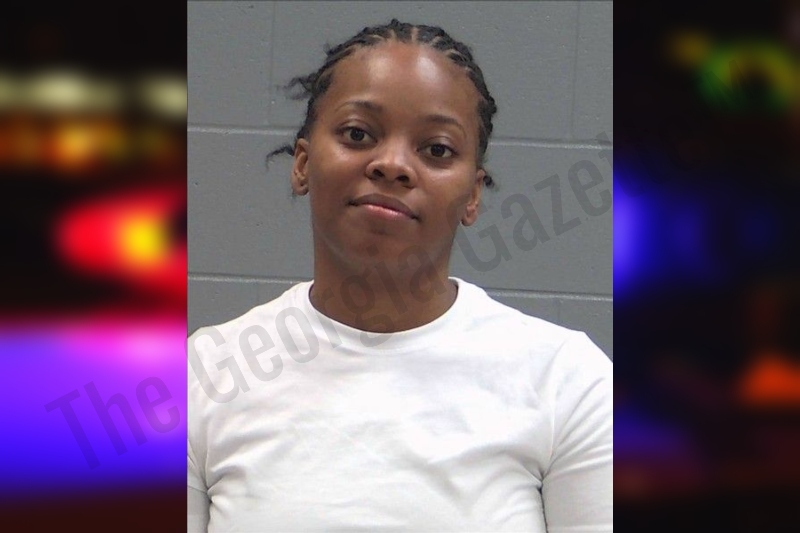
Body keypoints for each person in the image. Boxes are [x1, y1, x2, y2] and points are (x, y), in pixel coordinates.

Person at [188, 19, 612, 532]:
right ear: (302, 163)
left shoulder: (568, 382)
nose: (392, 165)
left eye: (437, 149)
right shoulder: (203, 376)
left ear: (473, 195)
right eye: (357, 134)